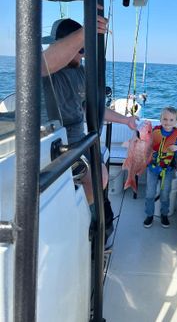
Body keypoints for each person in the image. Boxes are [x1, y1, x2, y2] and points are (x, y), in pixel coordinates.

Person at [41, 16, 137, 240]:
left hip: (77, 140)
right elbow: (42, 64)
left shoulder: (80, 72)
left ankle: (95, 224)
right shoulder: (44, 66)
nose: (82, 54)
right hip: (50, 143)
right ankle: (70, 224)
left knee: (99, 173)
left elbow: (92, 108)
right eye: (80, 49)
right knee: (97, 176)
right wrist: (86, 31)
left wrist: (126, 121)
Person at [143, 106, 177, 228]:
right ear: (160, 120)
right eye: (165, 119)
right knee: (150, 192)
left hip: (168, 170)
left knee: (165, 193)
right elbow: (147, 144)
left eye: (171, 120)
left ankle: (164, 214)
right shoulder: (154, 131)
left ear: (176, 122)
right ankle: (149, 215)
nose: (167, 122)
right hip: (152, 168)